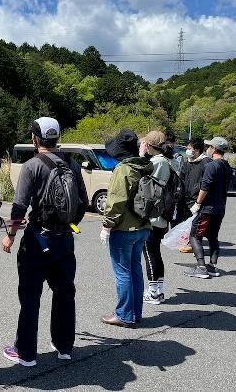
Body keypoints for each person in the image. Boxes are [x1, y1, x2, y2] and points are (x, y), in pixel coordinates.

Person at [2, 117, 87, 367]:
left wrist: (11, 235)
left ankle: (26, 353)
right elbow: (82, 202)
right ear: (57, 138)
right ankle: (64, 347)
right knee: (64, 292)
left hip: (37, 240)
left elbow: (19, 206)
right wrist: (69, 224)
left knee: (30, 296)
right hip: (65, 240)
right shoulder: (73, 164)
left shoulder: (32, 166)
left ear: (34, 139)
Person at [99, 129, 152, 328]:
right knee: (135, 270)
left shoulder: (123, 169)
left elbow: (116, 202)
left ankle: (124, 315)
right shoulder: (145, 165)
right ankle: (135, 312)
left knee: (123, 272)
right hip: (143, 225)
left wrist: (107, 225)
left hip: (124, 228)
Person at [184, 137, 232, 279]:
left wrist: (198, 203)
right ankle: (212, 266)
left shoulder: (212, 165)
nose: (208, 149)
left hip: (207, 208)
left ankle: (201, 267)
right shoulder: (226, 165)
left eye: (210, 147)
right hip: (220, 207)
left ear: (215, 149)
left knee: (194, 235)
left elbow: (205, 186)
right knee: (213, 236)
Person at [140, 132, 173, 305]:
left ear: (150, 145)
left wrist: (140, 157)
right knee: (155, 253)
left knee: (150, 253)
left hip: (154, 216)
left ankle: (153, 292)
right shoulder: (167, 160)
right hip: (162, 216)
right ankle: (158, 289)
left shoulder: (158, 162)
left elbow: (145, 184)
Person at [177, 138, 211, 253]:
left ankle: (195, 246)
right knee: (187, 222)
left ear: (196, 150)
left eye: (189, 148)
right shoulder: (188, 163)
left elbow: (206, 183)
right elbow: (181, 180)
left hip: (198, 199)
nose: (187, 150)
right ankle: (189, 243)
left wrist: (199, 201)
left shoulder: (206, 163)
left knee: (197, 225)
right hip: (186, 198)